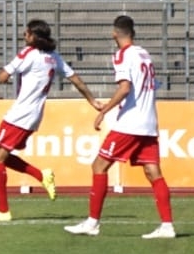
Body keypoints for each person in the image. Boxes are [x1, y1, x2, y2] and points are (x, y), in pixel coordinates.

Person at [65, 15, 176, 239]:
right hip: (149, 122)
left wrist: (104, 111)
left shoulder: (122, 55)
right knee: (153, 171)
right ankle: (167, 226)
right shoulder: (144, 53)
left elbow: (125, 88)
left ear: (114, 33)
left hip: (130, 123)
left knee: (99, 166)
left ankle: (92, 223)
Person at [0, 19, 100, 222]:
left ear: (34, 36)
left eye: (27, 33)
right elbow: (75, 79)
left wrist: (6, 71)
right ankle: (42, 176)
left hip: (20, 114)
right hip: (34, 114)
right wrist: (92, 100)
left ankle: (3, 211)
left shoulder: (28, 53)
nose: (24, 35)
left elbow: (2, 77)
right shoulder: (53, 57)